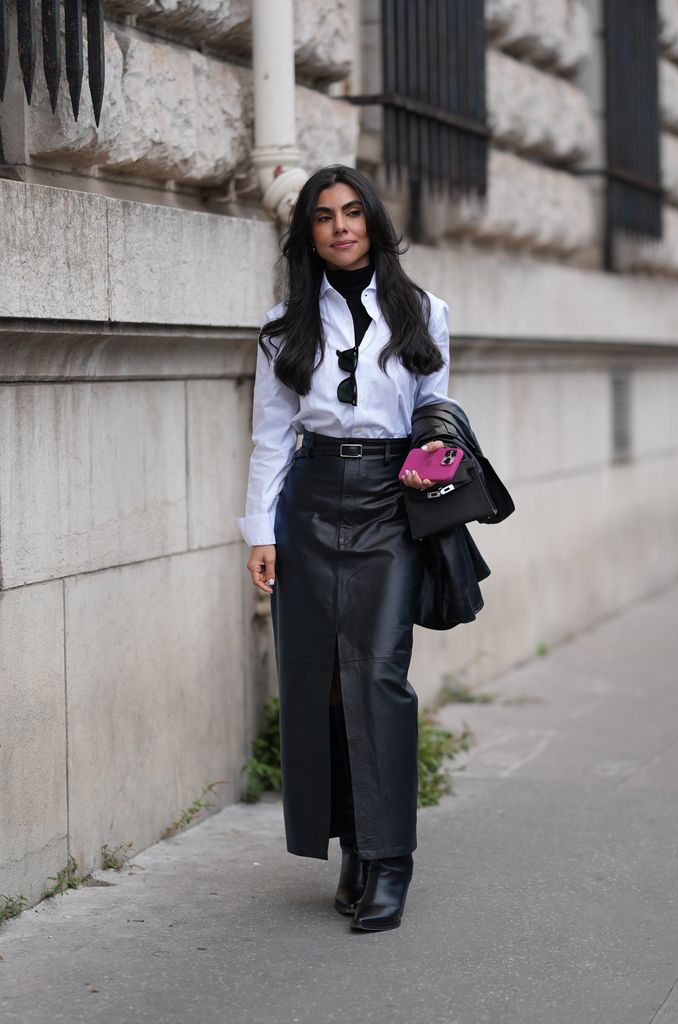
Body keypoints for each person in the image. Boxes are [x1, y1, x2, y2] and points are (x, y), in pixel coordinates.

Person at [236, 164, 452, 933]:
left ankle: (391, 860)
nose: (340, 226)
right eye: (324, 216)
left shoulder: (425, 312)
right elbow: (269, 437)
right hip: (310, 502)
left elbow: (437, 411)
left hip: (391, 506)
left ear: (374, 222)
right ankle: (354, 847)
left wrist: (432, 475)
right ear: (311, 233)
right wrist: (259, 532)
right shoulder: (281, 326)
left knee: (379, 676)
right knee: (322, 681)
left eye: (353, 212)